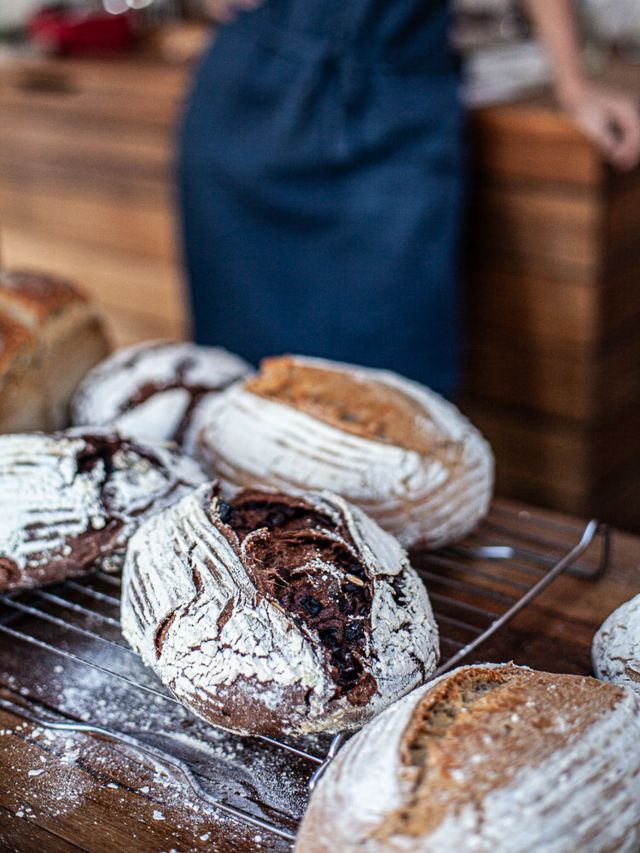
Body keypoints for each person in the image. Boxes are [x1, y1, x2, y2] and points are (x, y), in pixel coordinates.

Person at [179, 0, 640, 397]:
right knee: (238, 392)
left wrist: (573, 83)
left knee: (398, 388)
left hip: (397, 107)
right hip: (251, 98)